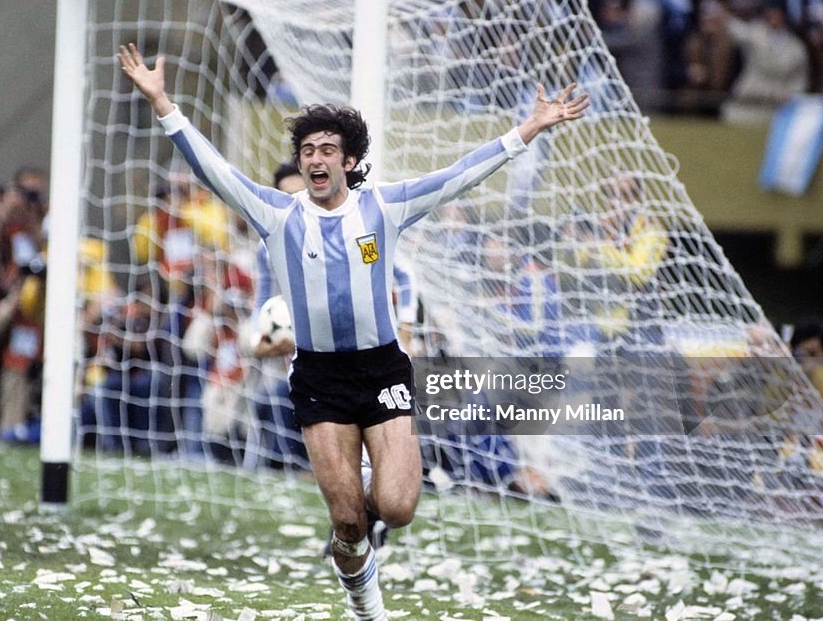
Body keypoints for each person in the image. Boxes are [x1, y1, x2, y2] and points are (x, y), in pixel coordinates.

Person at [118, 42, 588, 620]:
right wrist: (163, 101)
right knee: (345, 518)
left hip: (384, 368)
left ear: (348, 161)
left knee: (397, 506)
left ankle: (365, 527)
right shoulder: (276, 213)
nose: (315, 158)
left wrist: (529, 129)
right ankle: (368, 607)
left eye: (327, 150)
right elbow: (210, 167)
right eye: (307, 149)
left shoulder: (383, 208)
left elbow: (461, 174)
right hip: (318, 374)